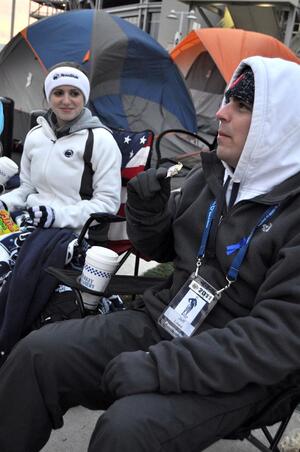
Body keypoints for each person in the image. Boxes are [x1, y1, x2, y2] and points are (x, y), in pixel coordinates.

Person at [1, 55, 300, 452]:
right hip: (166, 322)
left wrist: (158, 367)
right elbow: (158, 250)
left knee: (126, 430)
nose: (221, 114)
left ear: (279, 126)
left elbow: (276, 341)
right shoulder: (211, 177)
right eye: (227, 100)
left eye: (241, 107)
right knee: (36, 355)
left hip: (241, 369)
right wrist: (146, 212)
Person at [0, 62, 122, 235]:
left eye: (74, 93)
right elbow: (27, 188)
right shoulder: (35, 135)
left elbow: (107, 204)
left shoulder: (101, 140)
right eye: (58, 93)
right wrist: (5, 203)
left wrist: (56, 217)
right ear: (48, 96)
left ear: (84, 97)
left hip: (73, 235)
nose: (66, 101)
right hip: (30, 223)